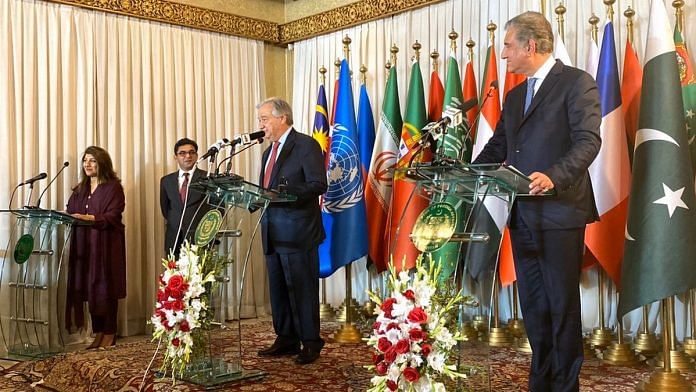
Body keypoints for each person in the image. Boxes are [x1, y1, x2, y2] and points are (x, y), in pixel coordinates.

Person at [473, 12, 601, 392]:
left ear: (530, 45)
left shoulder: (577, 83)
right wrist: (461, 173)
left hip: (560, 214)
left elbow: (588, 142)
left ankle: (566, 385)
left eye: (508, 46)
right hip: (523, 214)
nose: (504, 54)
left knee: (561, 306)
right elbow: (498, 147)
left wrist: (554, 176)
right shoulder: (514, 97)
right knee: (534, 306)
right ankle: (540, 381)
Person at [255, 97, 327, 365]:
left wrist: (285, 192)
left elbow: (318, 184)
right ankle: (286, 337)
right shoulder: (267, 152)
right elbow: (266, 189)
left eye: (264, 119)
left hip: (298, 232)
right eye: (260, 120)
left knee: (302, 289)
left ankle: (310, 342)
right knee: (279, 289)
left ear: (281, 118)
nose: (261, 125)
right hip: (272, 232)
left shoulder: (306, 145)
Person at [66, 146, 126, 349]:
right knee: (89, 291)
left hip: (106, 247)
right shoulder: (80, 189)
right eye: (85, 161)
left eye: (92, 161)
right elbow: (70, 211)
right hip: (84, 247)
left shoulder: (113, 187)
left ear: (102, 163)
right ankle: (98, 333)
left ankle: (110, 333)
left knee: (105, 289)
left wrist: (89, 218)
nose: (87, 165)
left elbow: (114, 215)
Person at [160, 138, 208, 257]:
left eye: (191, 152)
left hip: (199, 239)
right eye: (182, 153)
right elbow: (165, 209)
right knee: (174, 275)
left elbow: (216, 209)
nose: (187, 156)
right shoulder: (166, 181)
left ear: (196, 156)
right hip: (174, 239)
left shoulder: (208, 178)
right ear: (175, 157)